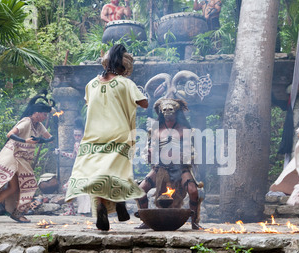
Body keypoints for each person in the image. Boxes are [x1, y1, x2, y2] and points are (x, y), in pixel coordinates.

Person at [65, 44, 148, 231]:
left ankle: (103, 205)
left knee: (97, 175)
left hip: (93, 137)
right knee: (117, 173)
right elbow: (144, 103)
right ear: (124, 68)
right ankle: (119, 202)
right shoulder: (126, 83)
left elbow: (91, 102)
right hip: (118, 135)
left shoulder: (91, 84)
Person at [0, 93, 55, 223]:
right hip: (14, 158)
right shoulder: (26, 121)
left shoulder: (38, 125)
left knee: (14, 188)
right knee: (30, 184)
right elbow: (9, 134)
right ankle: (18, 213)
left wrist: (41, 140)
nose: (45, 117)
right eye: (44, 114)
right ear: (36, 113)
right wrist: (25, 141)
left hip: (22, 160)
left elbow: (50, 139)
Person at [136, 98, 202, 230]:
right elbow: (149, 152)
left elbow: (192, 152)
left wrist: (185, 157)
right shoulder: (155, 129)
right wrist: (150, 155)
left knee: (193, 191)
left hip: (180, 167)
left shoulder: (185, 129)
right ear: (160, 112)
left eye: (170, 110)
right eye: (164, 110)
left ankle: (194, 222)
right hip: (160, 167)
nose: (167, 113)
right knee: (140, 190)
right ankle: (145, 221)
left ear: (176, 111)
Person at [55, 118, 91, 216]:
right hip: (78, 171)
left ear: (83, 134)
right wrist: (61, 153)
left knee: (83, 190)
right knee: (66, 188)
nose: (77, 137)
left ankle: (85, 211)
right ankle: (71, 210)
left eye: (79, 135)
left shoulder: (88, 144)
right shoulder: (76, 144)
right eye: (75, 135)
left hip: (86, 172)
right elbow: (73, 156)